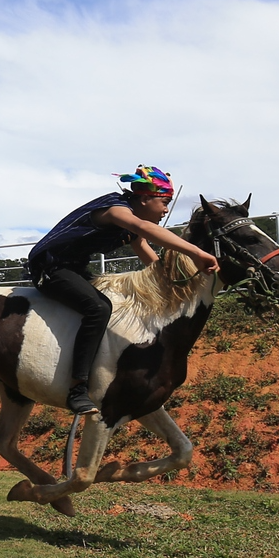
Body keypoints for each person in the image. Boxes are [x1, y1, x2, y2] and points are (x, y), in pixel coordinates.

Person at [27, 165, 220, 418]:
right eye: (164, 202)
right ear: (144, 198)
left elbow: (143, 247)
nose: (165, 210)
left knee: (113, 303)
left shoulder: (130, 225)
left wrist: (168, 282)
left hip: (74, 268)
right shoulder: (115, 209)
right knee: (98, 307)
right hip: (49, 267)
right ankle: (77, 388)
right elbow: (145, 231)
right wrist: (197, 252)